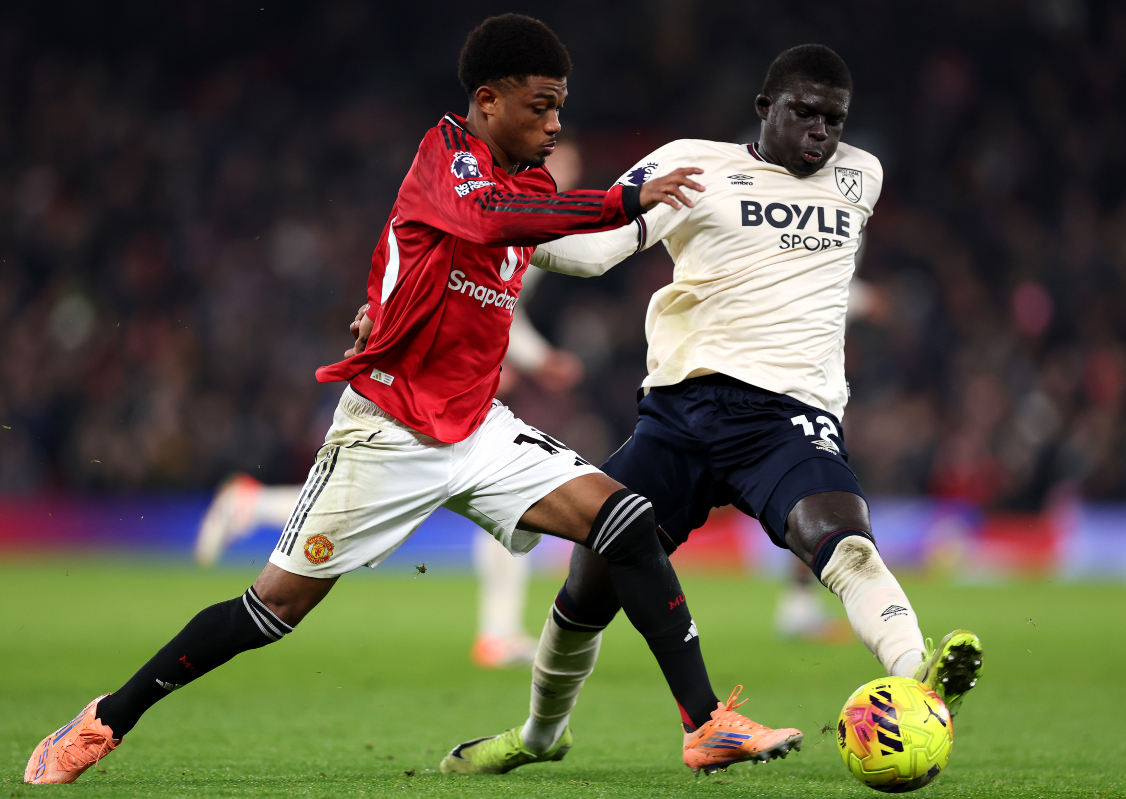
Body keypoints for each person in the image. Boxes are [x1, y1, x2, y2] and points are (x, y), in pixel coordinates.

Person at [24, 14, 784, 785]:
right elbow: (484, 218)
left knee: (624, 519)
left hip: (478, 429)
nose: (555, 125)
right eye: (541, 106)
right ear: (487, 101)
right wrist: (624, 200)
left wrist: (673, 219)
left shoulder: (531, 188)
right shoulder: (444, 155)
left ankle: (705, 723)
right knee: (271, 610)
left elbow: (514, 252)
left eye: (560, 107)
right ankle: (102, 720)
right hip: (387, 428)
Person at [438, 43, 983, 777]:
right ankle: (540, 734)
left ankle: (920, 677)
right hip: (682, 413)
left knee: (843, 540)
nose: (822, 132)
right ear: (764, 107)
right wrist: (482, 228)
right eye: (805, 113)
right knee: (589, 579)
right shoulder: (691, 164)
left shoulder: (862, 174)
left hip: (788, 417)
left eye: (834, 119)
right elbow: (593, 253)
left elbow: (795, 272)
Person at [191, 269, 583, 669]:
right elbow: (475, 297)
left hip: (440, 387)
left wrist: (512, 356)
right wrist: (530, 358)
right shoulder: (519, 238)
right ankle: (251, 503)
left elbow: (499, 305)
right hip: (418, 393)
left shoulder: (522, 240)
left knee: (499, 504)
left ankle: (499, 631)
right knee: (357, 504)